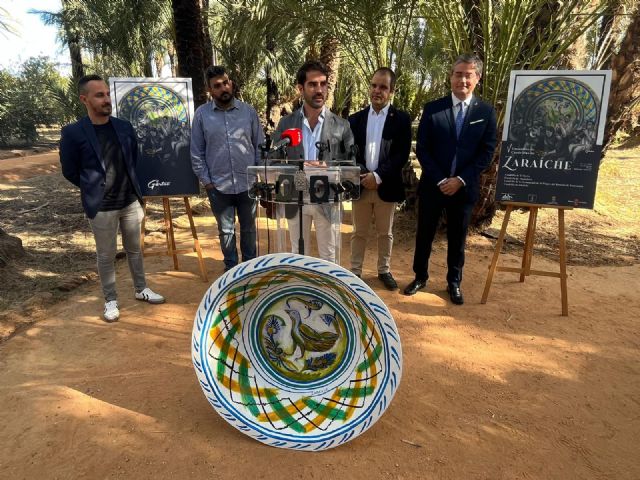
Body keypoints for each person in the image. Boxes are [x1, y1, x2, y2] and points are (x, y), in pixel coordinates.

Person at [59, 74, 165, 323]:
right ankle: (110, 301)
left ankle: (141, 290)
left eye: (107, 94)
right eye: (99, 95)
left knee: (135, 250)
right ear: (84, 99)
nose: (107, 99)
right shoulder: (73, 133)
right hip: (102, 207)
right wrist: (91, 188)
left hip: (129, 202)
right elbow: (69, 170)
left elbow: (133, 159)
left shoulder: (124, 127)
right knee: (106, 255)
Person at [404, 54, 497, 304]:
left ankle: (453, 282)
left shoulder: (486, 112)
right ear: (450, 76)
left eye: (468, 74)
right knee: (424, 234)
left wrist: (460, 180)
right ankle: (419, 276)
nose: (462, 79)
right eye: (458, 74)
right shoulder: (433, 108)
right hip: (434, 186)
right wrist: (441, 179)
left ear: (477, 78)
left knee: (458, 238)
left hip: (464, 189)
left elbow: (486, 152)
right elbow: (423, 148)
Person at [272, 60, 354, 263]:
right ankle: (300, 292)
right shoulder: (286, 123)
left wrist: (328, 168)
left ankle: (329, 293)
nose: (319, 90)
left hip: (326, 198)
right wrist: (296, 169)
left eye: (323, 84)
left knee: (329, 255)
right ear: (300, 88)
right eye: (313, 84)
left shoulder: (341, 126)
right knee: (298, 255)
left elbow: (351, 165)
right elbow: (273, 160)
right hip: (295, 196)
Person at [190, 65, 264, 271]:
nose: (223, 88)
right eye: (217, 86)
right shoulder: (202, 115)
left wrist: (258, 176)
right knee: (226, 230)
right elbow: (197, 151)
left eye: (226, 83)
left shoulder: (248, 112)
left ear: (230, 83)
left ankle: (249, 268)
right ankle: (231, 269)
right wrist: (208, 182)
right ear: (210, 91)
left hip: (247, 183)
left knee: (249, 229)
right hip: (218, 186)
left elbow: (259, 145)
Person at [348, 67, 411, 290]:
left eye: (383, 87)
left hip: (387, 185)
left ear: (391, 91)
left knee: (386, 233)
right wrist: (364, 174)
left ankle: (384, 270)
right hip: (361, 185)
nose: (377, 90)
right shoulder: (355, 120)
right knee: (359, 232)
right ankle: (355, 272)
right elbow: (350, 152)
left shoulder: (401, 120)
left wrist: (378, 176)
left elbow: (400, 155)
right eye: (374, 85)